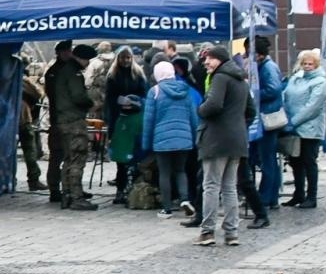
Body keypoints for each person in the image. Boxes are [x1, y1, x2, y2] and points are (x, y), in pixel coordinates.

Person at [194, 43, 255, 246]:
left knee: (211, 185)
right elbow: (251, 111)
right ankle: (231, 232)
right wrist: (237, 123)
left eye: (209, 59)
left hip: (216, 139)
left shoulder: (220, 77)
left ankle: (207, 231)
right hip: (237, 139)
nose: (206, 62)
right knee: (229, 187)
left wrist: (200, 110)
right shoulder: (241, 79)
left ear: (219, 59)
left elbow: (213, 104)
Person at [141, 60, 199, 218]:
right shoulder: (185, 90)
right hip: (184, 138)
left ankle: (166, 209)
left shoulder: (155, 91)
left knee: (165, 173)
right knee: (181, 171)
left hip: (162, 139)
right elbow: (193, 117)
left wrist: (146, 143)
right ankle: (185, 199)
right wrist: (195, 138)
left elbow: (148, 120)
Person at [51, 44, 98, 211]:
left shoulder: (64, 70)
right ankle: (77, 197)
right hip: (74, 122)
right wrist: (90, 103)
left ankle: (67, 195)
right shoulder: (74, 73)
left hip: (63, 121)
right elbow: (78, 96)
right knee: (78, 158)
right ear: (81, 58)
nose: (87, 64)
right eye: (87, 60)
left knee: (68, 159)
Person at [281, 49, 326, 210]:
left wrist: (293, 122)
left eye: (310, 64)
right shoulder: (296, 78)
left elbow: (313, 107)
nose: (307, 66)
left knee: (309, 162)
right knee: (295, 162)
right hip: (294, 128)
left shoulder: (321, 82)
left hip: (310, 129)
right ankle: (298, 193)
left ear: (316, 65)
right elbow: (285, 96)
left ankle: (311, 196)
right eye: (305, 64)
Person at [103, 46, 147, 205]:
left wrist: (135, 101)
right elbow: (109, 100)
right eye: (123, 57)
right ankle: (120, 190)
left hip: (136, 119)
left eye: (128, 57)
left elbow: (144, 94)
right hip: (119, 120)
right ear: (118, 58)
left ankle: (133, 189)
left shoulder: (139, 74)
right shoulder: (112, 76)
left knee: (136, 156)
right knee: (121, 158)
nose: (126, 60)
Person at [250, 35, 285, 210]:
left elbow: (274, 89)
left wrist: (254, 94)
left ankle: (266, 196)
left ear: (258, 54)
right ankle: (271, 197)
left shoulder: (268, 68)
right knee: (266, 158)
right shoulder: (264, 66)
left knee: (266, 158)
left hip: (268, 118)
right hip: (265, 117)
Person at [42, 40, 74, 203]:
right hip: (59, 120)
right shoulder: (55, 72)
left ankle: (69, 188)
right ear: (61, 52)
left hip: (63, 119)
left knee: (68, 155)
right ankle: (55, 189)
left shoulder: (63, 70)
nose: (70, 53)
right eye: (68, 51)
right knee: (57, 156)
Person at [18, 63, 46, 192]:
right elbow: (37, 93)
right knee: (29, 149)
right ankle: (34, 180)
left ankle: (8, 179)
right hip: (23, 116)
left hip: (5, 117)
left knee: (7, 151)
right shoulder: (23, 80)